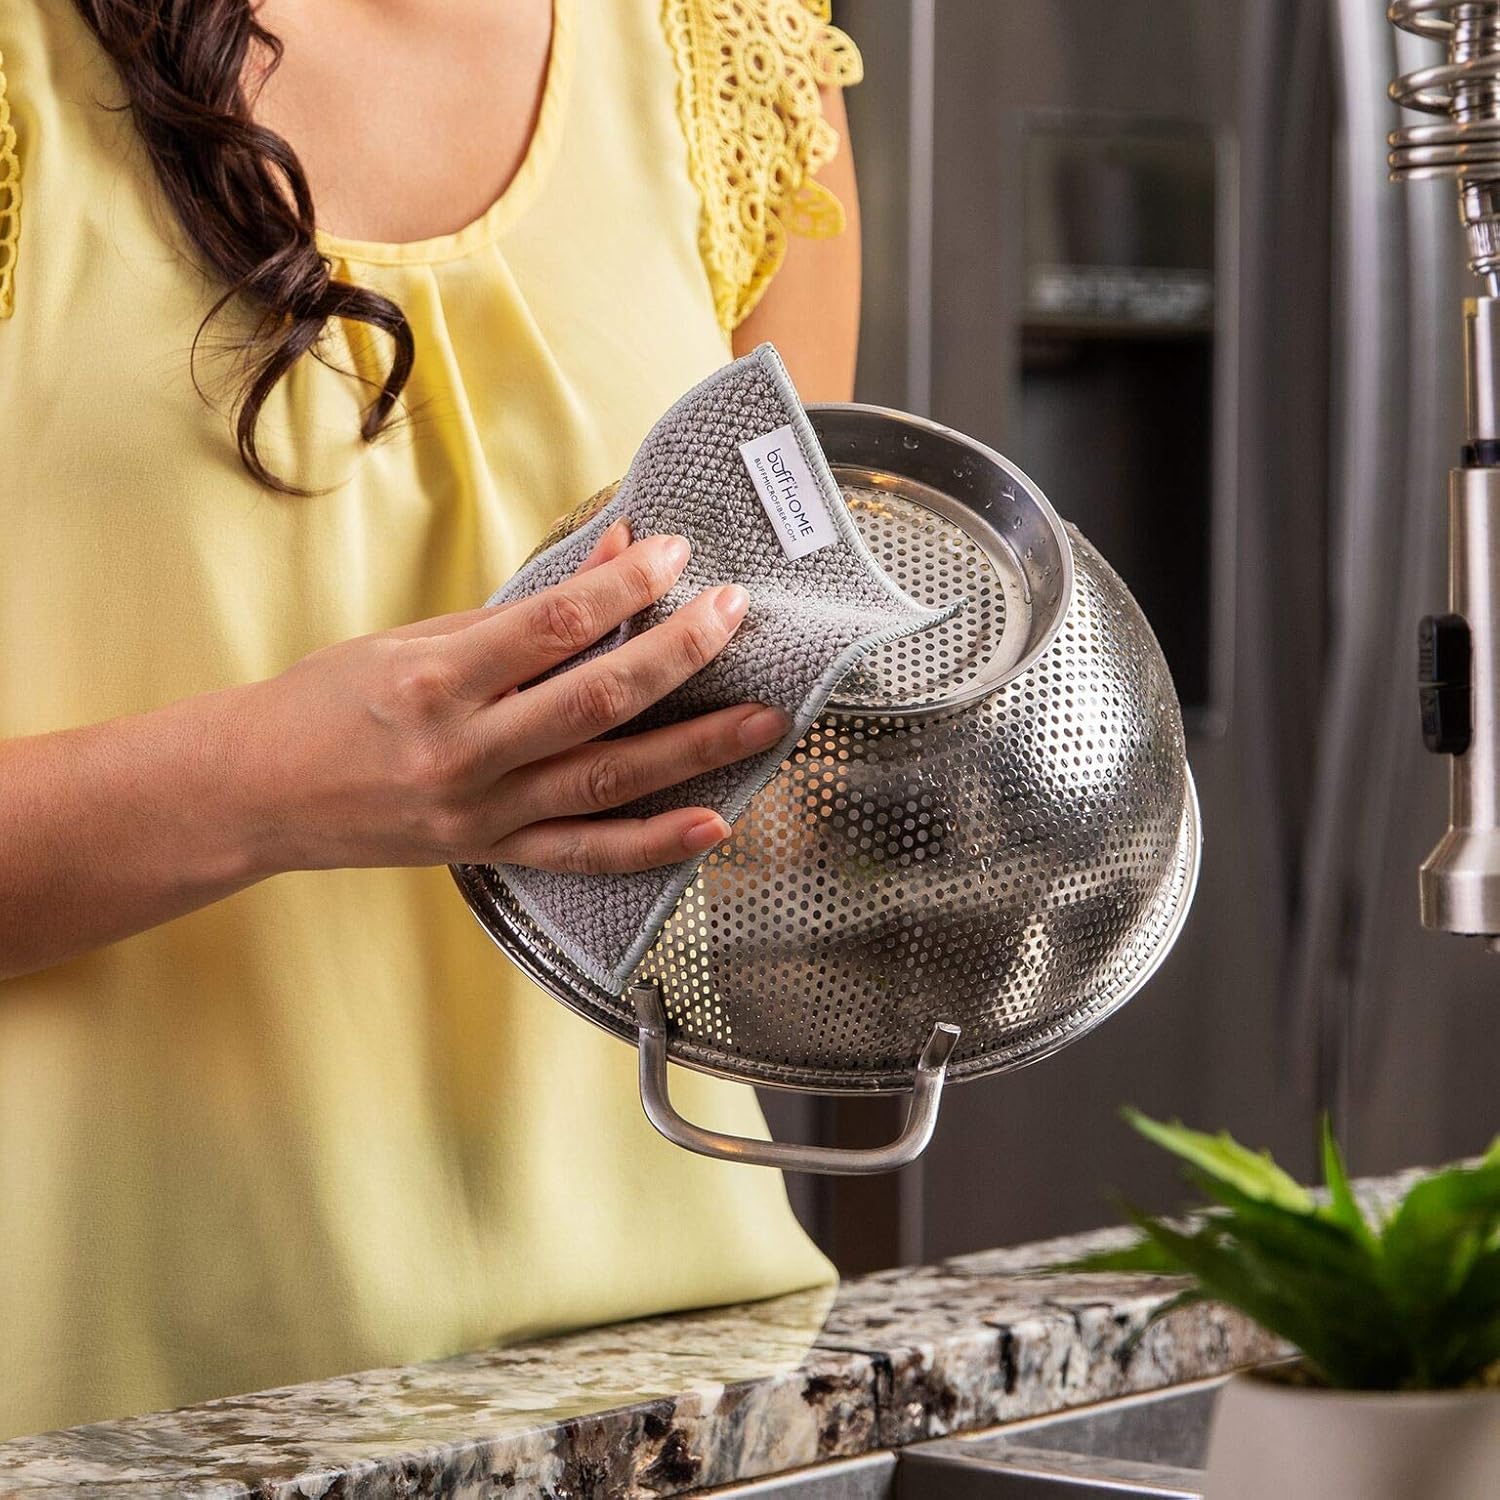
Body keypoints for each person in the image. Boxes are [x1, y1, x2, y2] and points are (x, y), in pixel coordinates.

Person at [0, 0, 861, 1439]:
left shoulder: (730, 56)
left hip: (668, 1390)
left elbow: (781, 789)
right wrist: (279, 782)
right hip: (104, 1402)